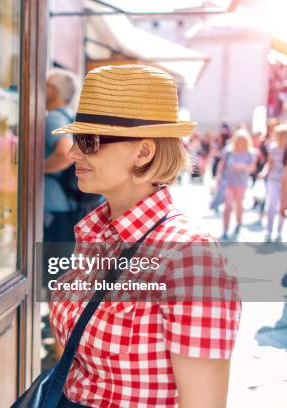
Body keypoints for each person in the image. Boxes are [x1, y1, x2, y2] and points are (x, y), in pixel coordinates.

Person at [49, 65, 240, 407]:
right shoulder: (96, 232)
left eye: (89, 141)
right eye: (78, 140)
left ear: (143, 152)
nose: (75, 153)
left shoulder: (190, 256)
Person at [43, 69, 77, 242]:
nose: (42, 87)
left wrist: (36, 169)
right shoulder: (69, 115)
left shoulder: (54, 118)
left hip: (53, 206)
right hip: (68, 201)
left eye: (46, 84)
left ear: (55, 90)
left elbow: (66, 154)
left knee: (48, 265)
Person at [216, 129, 256, 240]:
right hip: (228, 181)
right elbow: (222, 164)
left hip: (241, 182)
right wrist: (218, 176)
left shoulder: (249, 153)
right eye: (239, 140)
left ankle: (238, 223)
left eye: (243, 140)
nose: (241, 142)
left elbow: (253, 168)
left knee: (239, 204)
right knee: (227, 205)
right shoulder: (228, 151)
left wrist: (243, 167)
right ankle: (225, 229)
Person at [260, 124, 286, 241]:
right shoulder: (273, 147)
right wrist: (264, 172)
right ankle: (268, 230)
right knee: (272, 204)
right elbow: (269, 163)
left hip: (285, 182)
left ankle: (279, 232)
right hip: (274, 179)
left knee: (283, 205)